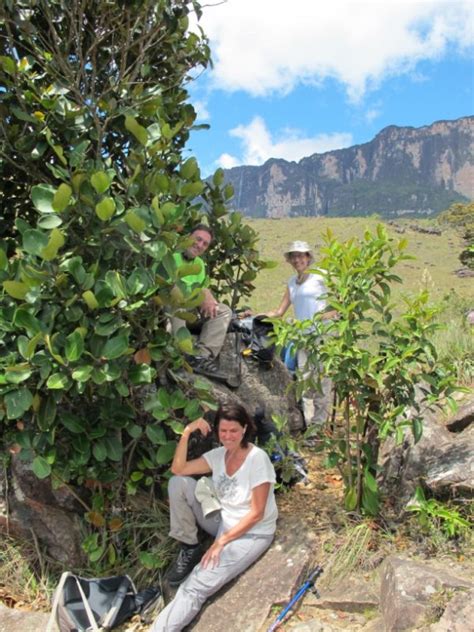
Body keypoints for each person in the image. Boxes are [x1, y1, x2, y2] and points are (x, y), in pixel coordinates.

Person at [150, 402, 278, 632]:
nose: (228, 436)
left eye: (234, 431)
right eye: (223, 431)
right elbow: (178, 470)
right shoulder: (219, 455)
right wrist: (187, 432)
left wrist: (221, 542)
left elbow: (257, 513)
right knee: (178, 484)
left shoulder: (258, 459)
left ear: (245, 429)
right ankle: (189, 545)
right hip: (223, 520)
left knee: (196, 585)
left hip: (251, 533)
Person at [262, 240, 335, 427]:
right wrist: (255, 315)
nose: (297, 259)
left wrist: (326, 317)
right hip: (303, 339)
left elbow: (340, 300)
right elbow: (280, 312)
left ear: (308, 257)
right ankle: (310, 426)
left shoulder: (321, 276)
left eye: (301, 255)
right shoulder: (292, 283)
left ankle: (319, 427)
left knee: (323, 382)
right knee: (305, 382)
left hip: (323, 337)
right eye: (293, 256)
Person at [171, 224, 232, 376]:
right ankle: (182, 353)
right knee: (176, 298)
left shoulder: (199, 264)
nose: (199, 245)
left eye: (205, 244)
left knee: (223, 311)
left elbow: (204, 291)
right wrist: (203, 293)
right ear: (188, 237)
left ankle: (201, 357)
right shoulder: (170, 255)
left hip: (191, 310)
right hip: (170, 310)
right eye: (198, 239)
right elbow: (169, 286)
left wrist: (207, 296)